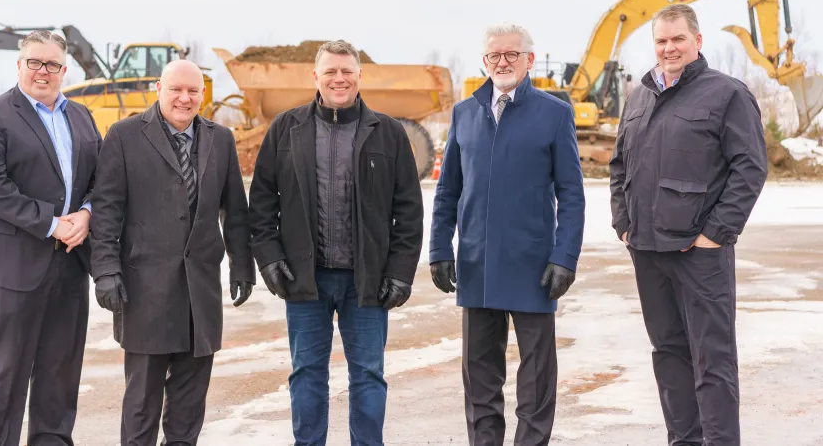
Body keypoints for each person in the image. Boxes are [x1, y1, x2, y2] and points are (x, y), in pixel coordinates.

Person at [247, 39, 425, 445]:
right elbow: (261, 203)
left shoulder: (389, 133)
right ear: (316, 76)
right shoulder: (286, 129)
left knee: (368, 374)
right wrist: (270, 258)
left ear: (360, 76)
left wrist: (399, 272)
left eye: (347, 71)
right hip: (304, 278)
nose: (339, 79)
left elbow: (409, 212)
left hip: (367, 282)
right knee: (307, 373)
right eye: (330, 71)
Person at [609, 3, 768, 445]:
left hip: (700, 255)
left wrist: (716, 234)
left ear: (697, 41)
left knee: (712, 360)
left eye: (678, 39)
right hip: (647, 250)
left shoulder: (726, 94)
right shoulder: (639, 96)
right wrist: (623, 224)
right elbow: (620, 166)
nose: (669, 48)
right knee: (668, 354)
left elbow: (750, 168)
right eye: (661, 40)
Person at [428, 23, 585, 446]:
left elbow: (572, 194)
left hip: (535, 266)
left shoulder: (554, 114)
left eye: (512, 55)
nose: (502, 62)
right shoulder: (465, 114)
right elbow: (448, 191)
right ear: (484, 61)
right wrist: (440, 248)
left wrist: (565, 256)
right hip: (476, 265)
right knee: (480, 380)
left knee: (536, 380)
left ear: (529, 60)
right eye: (494, 55)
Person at [89, 59, 255, 446]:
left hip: (201, 293)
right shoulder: (124, 136)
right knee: (142, 407)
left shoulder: (220, 139)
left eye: (193, 91)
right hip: (145, 290)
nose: (184, 98)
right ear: (159, 88)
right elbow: (108, 209)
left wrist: (242, 267)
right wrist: (106, 271)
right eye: (176, 89)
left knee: (188, 406)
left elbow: (235, 211)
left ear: (203, 94)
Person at [0, 29, 102, 445]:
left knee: (59, 372)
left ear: (64, 70)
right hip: (10, 266)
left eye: (52, 64)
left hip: (70, 264)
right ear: (19, 66)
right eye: (35, 63)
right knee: (5, 374)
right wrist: (55, 223)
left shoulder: (82, 117)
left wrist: (88, 214)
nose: (44, 71)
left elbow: (102, 178)